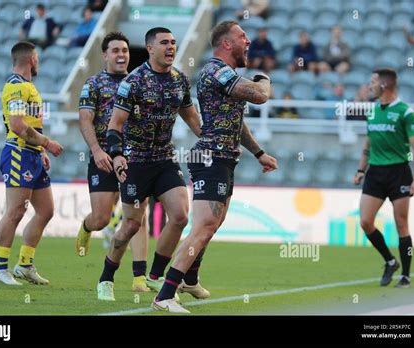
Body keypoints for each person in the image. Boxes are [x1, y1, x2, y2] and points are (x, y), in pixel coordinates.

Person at [152, 20, 278, 313]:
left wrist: (259, 152)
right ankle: (164, 295)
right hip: (210, 158)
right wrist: (264, 78)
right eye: (242, 36)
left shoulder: (227, 76)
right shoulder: (216, 70)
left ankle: (190, 279)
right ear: (226, 43)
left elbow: (236, 121)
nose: (248, 42)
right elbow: (260, 95)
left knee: (210, 226)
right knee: (205, 226)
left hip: (223, 158)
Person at [97, 27, 204, 302]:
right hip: (136, 162)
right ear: (150, 48)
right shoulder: (133, 82)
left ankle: (155, 276)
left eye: (173, 43)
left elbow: (193, 120)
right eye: (164, 43)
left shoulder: (180, 80)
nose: (171, 47)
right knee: (132, 225)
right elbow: (114, 126)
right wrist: (118, 155)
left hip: (165, 159)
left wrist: (212, 140)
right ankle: (107, 276)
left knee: (180, 215)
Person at [75, 32, 150, 293]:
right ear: (105, 55)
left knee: (138, 217)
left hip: (134, 159)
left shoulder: (139, 82)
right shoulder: (93, 83)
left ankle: (140, 278)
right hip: (104, 158)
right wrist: (96, 150)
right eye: (116, 50)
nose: (121, 55)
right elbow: (85, 120)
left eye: (125, 51)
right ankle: (87, 227)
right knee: (102, 218)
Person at [0, 41, 64, 286]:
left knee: (46, 210)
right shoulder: (16, 87)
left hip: (32, 153)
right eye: (38, 58)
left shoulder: (27, 86)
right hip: (19, 153)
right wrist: (48, 143)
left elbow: (29, 124)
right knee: (16, 211)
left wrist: (40, 148)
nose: (38, 62)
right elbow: (18, 126)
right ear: (32, 59)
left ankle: (24, 265)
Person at [354, 68, 414, 289]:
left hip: (399, 172)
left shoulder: (406, 112)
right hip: (375, 172)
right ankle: (390, 260)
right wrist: (360, 170)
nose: (369, 85)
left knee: (401, 224)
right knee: (365, 222)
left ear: (384, 85)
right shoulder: (373, 111)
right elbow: (368, 143)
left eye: (373, 82)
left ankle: (406, 275)